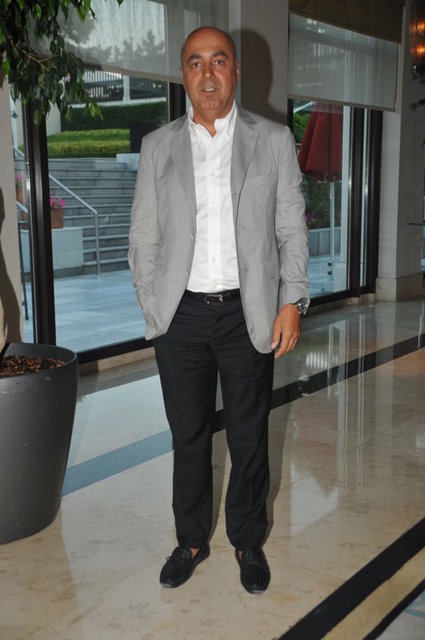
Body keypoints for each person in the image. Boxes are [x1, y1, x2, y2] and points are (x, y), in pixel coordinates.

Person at [129, 26, 309, 594]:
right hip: (180, 317)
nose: (207, 74)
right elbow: (143, 236)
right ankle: (190, 539)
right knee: (187, 436)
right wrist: (153, 303)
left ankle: (248, 541)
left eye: (218, 61)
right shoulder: (158, 146)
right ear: (183, 74)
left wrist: (291, 300)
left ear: (235, 70)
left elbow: (291, 229)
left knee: (249, 436)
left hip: (246, 313)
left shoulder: (272, 140)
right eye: (195, 63)